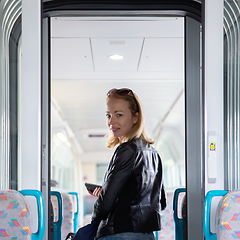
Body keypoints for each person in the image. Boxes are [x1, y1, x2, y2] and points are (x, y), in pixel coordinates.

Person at [89, 88, 167, 240]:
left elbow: (106, 204)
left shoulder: (127, 150)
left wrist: (94, 222)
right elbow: (161, 202)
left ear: (135, 117)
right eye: (108, 115)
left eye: (119, 115)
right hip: (147, 235)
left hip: (119, 233)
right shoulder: (154, 154)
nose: (111, 121)